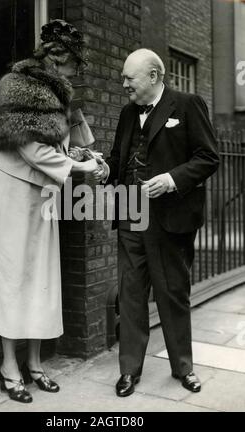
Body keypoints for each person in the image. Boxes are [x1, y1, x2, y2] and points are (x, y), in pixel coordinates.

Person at [0, 19, 99, 404]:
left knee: (39, 278)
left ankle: (35, 362)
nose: (78, 71)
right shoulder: (23, 86)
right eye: (76, 64)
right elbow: (30, 148)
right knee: (12, 278)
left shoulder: (60, 91)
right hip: (9, 191)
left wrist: (87, 155)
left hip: (38, 192)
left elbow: (68, 141)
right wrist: (78, 167)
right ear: (59, 60)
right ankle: (9, 366)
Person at [94, 49, 219, 397]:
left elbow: (208, 157)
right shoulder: (125, 114)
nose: (123, 85)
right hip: (132, 212)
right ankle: (129, 371)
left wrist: (172, 180)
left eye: (128, 78)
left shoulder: (188, 104)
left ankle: (183, 367)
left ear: (153, 76)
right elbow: (118, 161)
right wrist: (103, 169)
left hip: (170, 219)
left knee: (172, 294)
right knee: (131, 296)